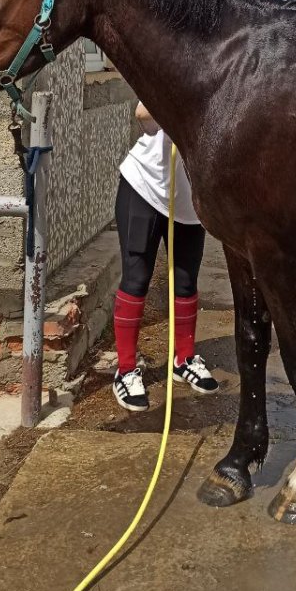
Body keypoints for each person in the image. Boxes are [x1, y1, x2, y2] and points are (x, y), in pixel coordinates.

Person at [112, 101, 219, 412]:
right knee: (137, 277)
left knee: (186, 281)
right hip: (145, 186)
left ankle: (183, 360)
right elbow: (144, 116)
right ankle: (126, 369)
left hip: (191, 201)